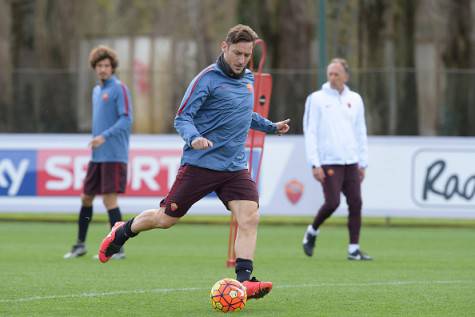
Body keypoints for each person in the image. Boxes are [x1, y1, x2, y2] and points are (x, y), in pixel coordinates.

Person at [98, 24, 290, 299]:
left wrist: (271, 127)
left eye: (247, 55)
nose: (241, 60)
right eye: (237, 53)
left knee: (249, 216)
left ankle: (244, 280)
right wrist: (194, 138)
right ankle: (122, 231)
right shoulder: (206, 80)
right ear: (224, 47)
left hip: (234, 168)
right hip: (200, 164)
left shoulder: (248, 78)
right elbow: (182, 117)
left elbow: (244, 114)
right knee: (165, 219)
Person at [64, 45, 133, 260]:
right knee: (86, 197)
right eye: (99, 66)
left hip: (113, 154)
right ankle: (80, 245)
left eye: (107, 65)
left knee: (109, 201)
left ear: (113, 68)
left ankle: (117, 248)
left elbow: (126, 119)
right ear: (94, 68)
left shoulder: (119, 88)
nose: (103, 69)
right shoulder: (97, 91)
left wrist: (104, 136)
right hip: (97, 156)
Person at [302, 58, 372, 261]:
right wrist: (314, 163)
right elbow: (310, 131)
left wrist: (363, 162)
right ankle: (312, 231)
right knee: (332, 203)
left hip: (351, 161)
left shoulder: (355, 99)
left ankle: (354, 249)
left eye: (337, 74)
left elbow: (361, 131)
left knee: (356, 203)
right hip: (328, 160)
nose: (332, 78)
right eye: (330, 74)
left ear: (346, 76)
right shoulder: (316, 99)